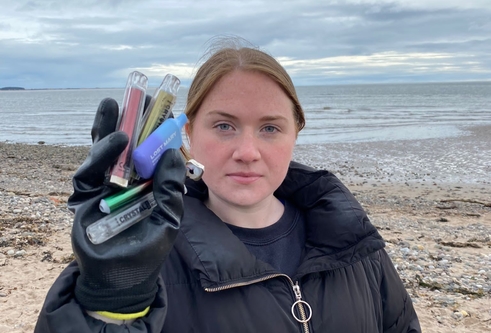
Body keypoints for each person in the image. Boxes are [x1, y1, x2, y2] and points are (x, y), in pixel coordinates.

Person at [35, 37, 421, 332]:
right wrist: (109, 302)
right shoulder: (140, 251)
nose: (247, 152)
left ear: (295, 134)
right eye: (224, 126)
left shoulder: (351, 240)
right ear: (186, 135)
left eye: (270, 128)